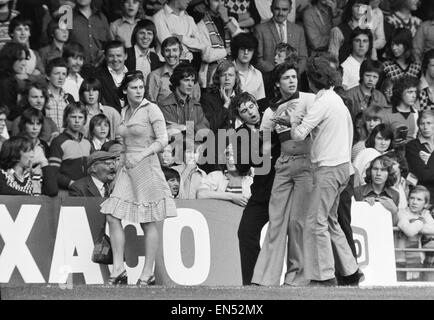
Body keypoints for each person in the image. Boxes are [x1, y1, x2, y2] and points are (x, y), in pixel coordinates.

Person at [281, 56, 362, 286]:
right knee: (330, 221)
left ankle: (325, 276)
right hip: (343, 168)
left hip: (328, 168)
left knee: (316, 222)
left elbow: (299, 135)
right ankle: (351, 271)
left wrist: (293, 120)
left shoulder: (322, 102)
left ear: (311, 79)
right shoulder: (337, 100)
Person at [100, 70, 177, 286]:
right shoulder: (124, 111)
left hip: (147, 167)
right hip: (127, 167)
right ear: (125, 90)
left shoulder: (152, 109)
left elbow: (163, 140)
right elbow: (123, 144)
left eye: (141, 87)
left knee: (147, 222)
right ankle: (118, 269)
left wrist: (141, 155)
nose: (138, 91)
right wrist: (120, 166)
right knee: (112, 215)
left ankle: (147, 273)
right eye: (133, 87)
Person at [251, 62, 315, 286]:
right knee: (276, 221)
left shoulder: (309, 99)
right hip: (283, 165)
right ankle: (265, 277)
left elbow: (318, 129)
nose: (292, 80)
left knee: (297, 222)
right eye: (286, 78)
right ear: (277, 83)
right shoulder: (269, 111)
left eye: (294, 76)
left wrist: (294, 121)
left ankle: (296, 277)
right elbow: (266, 148)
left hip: (307, 164)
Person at [47, 102, 91, 197]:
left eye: (80, 117)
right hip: (66, 193)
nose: (76, 121)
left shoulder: (88, 142)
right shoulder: (58, 141)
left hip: (86, 193)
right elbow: (53, 172)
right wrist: (72, 184)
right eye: (73, 117)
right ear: (66, 118)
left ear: (84, 120)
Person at [158, 62, 210, 141]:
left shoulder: (196, 105)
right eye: (186, 80)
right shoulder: (165, 106)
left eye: (192, 80)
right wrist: (194, 129)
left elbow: (205, 130)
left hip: (195, 150)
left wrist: (184, 128)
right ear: (177, 81)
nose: (190, 84)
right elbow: (173, 135)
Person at [254, 0, 307, 75]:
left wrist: (293, 73)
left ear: (290, 10)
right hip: (269, 80)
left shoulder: (298, 30)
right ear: (271, 9)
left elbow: (303, 58)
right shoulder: (260, 30)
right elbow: (258, 60)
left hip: (293, 80)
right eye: (277, 9)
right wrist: (278, 74)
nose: (280, 13)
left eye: (284, 9)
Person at [146, 36, 201, 103]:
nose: (171, 54)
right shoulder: (154, 76)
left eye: (174, 50)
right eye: (167, 50)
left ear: (180, 52)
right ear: (162, 53)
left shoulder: (191, 75)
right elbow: (150, 106)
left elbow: (196, 103)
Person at [396, 186, 434, 279]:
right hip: (400, 259)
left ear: (425, 204)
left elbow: (432, 229)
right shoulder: (401, 213)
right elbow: (410, 231)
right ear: (408, 200)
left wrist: (414, 224)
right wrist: (421, 220)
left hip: (419, 259)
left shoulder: (426, 214)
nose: (414, 202)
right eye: (412, 198)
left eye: (419, 199)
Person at [196, 0, 235, 89]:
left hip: (232, 73)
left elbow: (243, 41)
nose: (220, 4)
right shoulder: (201, 25)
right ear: (207, 1)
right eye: (216, 0)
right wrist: (227, 51)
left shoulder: (231, 21)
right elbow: (206, 55)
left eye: (222, 0)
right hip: (210, 77)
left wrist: (226, 20)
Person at [354, 154, 400, 223]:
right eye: (375, 169)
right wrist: (362, 206)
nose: (378, 173)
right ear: (370, 171)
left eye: (383, 170)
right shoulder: (357, 191)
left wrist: (394, 211)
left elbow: (394, 225)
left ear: (389, 173)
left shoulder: (395, 194)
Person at [69, 0, 112, 68]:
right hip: (76, 69)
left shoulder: (101, 17)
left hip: (101, 68)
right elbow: (62, 44)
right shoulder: (68, 16)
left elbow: (109, 43)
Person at [17, 107, 49, 195]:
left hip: (41, 192)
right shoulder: (15, 145)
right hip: (20, 192)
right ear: (24, 124)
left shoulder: (44, 145)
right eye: (31, 124)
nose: (35, 128)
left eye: (38, 124)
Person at [405, 110, 434, 204]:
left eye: (429, 123)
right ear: (418, 126)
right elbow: (424, 175)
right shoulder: (412, 146)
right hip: (423, 199)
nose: (425, 127)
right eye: (422, 124)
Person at [94, 40, 129, 113]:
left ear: (125, 56)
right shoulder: (97, 77)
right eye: (111, 56)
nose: (115, 59)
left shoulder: (133, 75)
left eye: (119, 55)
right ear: (105, 57)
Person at [382, 75, 419, 142]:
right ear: (400, 93)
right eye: (410, 92)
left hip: (414, 150)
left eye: (415, 92)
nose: (414, 96)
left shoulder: (418, 114)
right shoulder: (386, 114)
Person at [125, 19, 162, 86]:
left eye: (149, 33)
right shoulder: (126, 54)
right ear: (135, 35)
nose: (145, 37)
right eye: (142, 33)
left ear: (153, 37)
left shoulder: (154, 58)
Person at [231, 33, 265, 101]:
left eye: (249, 49)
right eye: (242, 49)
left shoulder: (258, 74)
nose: (246, 52)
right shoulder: (227, 71)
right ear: (236, 50)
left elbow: (260, 101)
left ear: (254, 52)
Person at [44, 57, 75, 130]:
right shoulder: (42, 96)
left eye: (64, 74)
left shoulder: (69, 98)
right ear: (48, 76)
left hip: (65, 139)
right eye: (57, 73)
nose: (61, 77)